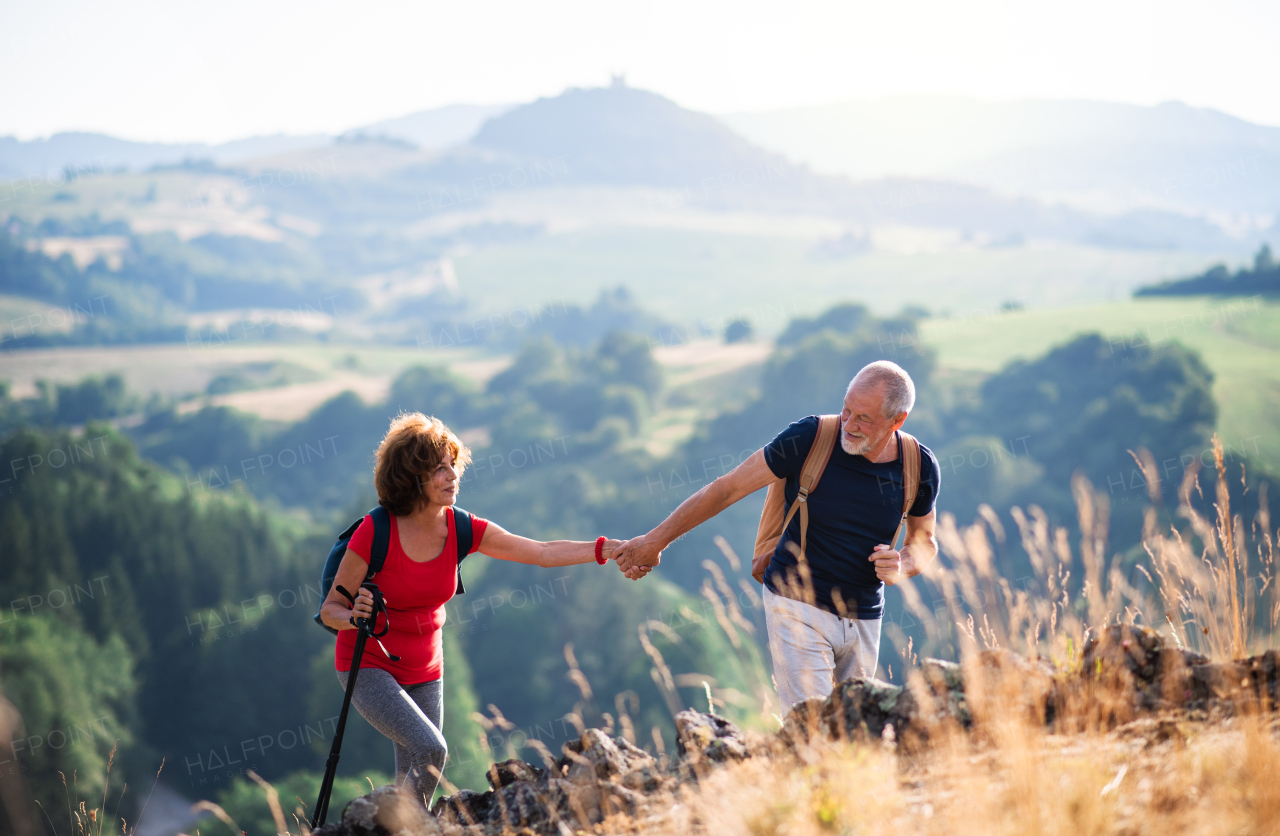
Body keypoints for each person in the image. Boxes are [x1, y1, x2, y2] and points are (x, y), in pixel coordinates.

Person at [319, 413, 621, 804]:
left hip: (427, 668)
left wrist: (607, 549)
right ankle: (399, 830)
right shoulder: (376, 531)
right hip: (370, 666)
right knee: (432, 752)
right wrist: (355, 618)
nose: (452, 475)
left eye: (452, 466)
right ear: (411, 476)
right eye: (438, 469)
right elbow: (330, 610)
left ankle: (399, 828)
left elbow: (542, 552)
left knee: (414, 776)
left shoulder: (462, 528)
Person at [614, 361, 940, 710]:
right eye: (846, 409)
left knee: (854, 735)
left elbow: (924, 540)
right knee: (810, 728)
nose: (849, 423)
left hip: (865, 617)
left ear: (897, 420)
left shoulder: (917, 465)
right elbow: (727, 489)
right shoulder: (809, 438)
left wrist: (903, 565)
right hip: (796, 604)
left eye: (864, 419)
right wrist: (653, 542)